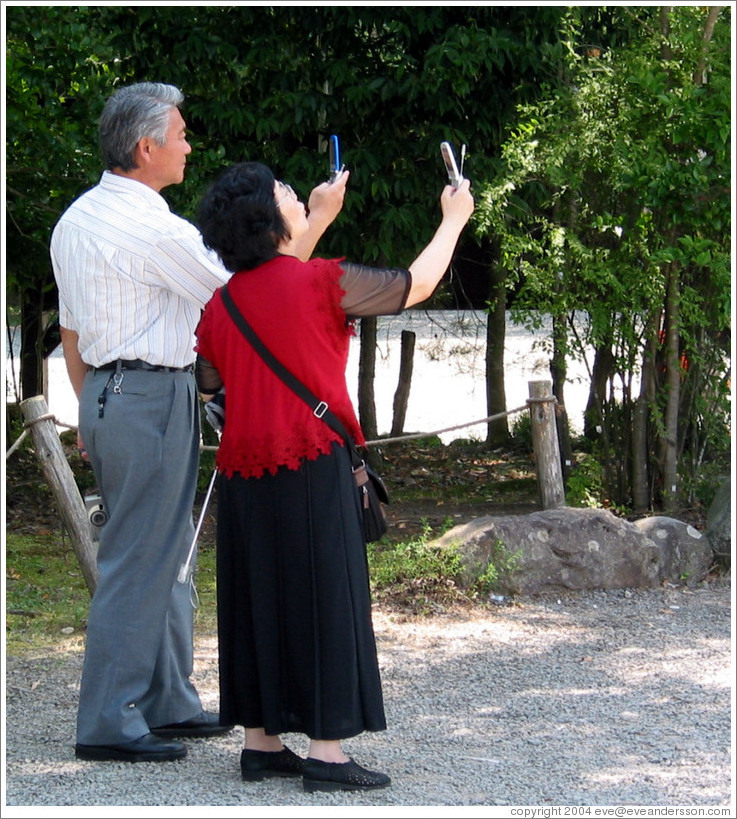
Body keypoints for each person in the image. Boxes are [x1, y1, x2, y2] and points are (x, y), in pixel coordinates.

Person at [50, 82, 347, 763]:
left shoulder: (77, 219)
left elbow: (71, 332)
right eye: (180, 134)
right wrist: (316, 220)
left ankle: (165, 698)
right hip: (149, 394)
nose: (189, 145)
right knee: (140, 555)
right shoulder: (156, 228)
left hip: (107, 392)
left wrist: (96, 410)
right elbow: (256, 297)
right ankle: (108, 716)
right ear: (146, 146)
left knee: (163, 548)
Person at [194, 160, 474, 791]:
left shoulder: (220, 305)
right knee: (327, 595)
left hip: (244, 471)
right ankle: (326, 753)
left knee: (255, 597)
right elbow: (416, 284)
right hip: (312, 462)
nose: (298, 194)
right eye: (287, 193)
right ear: (270, 221)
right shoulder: (324, 282)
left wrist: (317, 216)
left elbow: (211, 384)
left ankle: (260, 743)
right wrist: (453, 219)